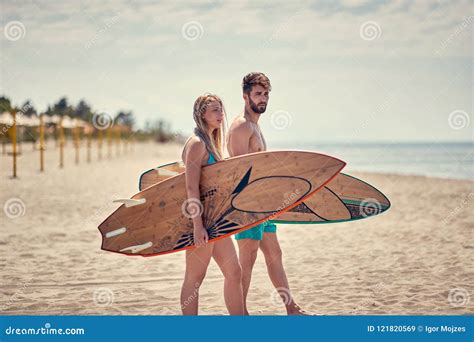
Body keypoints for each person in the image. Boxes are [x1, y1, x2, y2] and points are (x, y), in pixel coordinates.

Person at [227, 72, 310, 315]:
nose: (263, 99)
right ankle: (240, 315)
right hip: (247, 205)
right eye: (258, 94)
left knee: (274, 253)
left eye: (266, 94)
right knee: (247, 260)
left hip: (263, 204)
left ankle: (291, 308)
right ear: (245, 96)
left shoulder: (255, 126)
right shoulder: (242, 126)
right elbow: (237, 170)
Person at [180, 93, 244, 315]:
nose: (221, 114)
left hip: (216, 222)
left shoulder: (211, 143)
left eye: (221, 109)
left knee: (234, 272)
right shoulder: (197, 144)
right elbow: (191, 188)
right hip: (202, 222)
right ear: (202, 114)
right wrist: (198, 226)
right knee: (195, 278)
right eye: (215, 110)